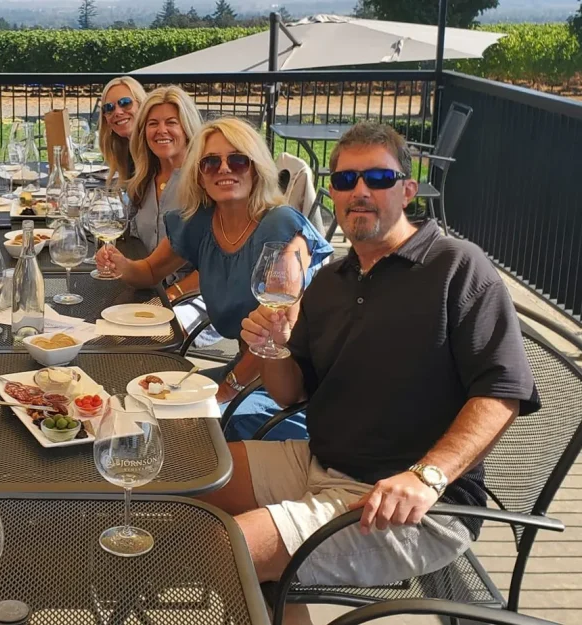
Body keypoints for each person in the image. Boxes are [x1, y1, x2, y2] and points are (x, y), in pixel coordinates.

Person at [207, 122, 538, 619]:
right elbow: (290, 395)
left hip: (410, 503)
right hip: (319, 462)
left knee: (218, 550)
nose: (359, 192)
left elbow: (501, 393)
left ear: (407, 190)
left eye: (378, 178)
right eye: (345, 180)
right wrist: (272, 350)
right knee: (193, 477)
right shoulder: (331, 280)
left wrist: (427, 476)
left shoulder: (456, 267)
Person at [99, 118, 333, 441]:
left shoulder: (280, 227)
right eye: (211, 162)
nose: (225, 169)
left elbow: (271, 335)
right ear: (199, 174)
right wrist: (123, 265)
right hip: (241, 371)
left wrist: (225, 390)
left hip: (288, 391)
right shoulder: (202, 222)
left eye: (238, 159)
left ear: (256, 168)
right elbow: (151, 272)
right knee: (135, 397)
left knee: (176, 431)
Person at [125, 85, 201, 291]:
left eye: (171, 122)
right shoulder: (143, 180)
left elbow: (218, 264)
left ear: (187, 128)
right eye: (152, 124)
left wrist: (171, 297)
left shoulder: (203, 183)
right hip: (145, 287)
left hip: (190, 300)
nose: (161, 130)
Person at [97, 76, 147, 184]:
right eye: (109, 108)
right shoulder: (125, 151)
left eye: (125, 102)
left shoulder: (155, 150)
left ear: (142, 105)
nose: (118, 112)